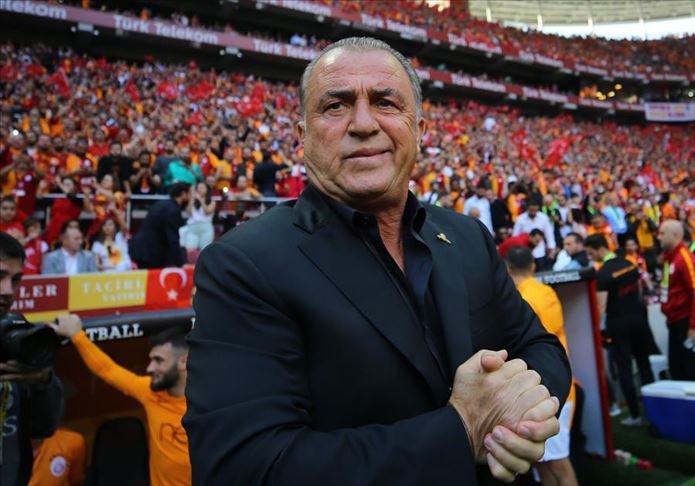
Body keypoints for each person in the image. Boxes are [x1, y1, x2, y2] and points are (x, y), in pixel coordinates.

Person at [184, 37, 571, 485]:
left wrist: (517, 415)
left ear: (419, 130)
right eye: (336, 106)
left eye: (386, 103)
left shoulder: (467, 236)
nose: (364, 124)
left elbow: (541, 348)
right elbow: (243, 468)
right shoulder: (243, 264)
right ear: (302, 137)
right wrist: (460, 432)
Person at [50, 318, 191, 486]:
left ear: (183, 361)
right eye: (151, 360)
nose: (150, 368)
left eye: (158, 360)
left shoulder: (211, 402)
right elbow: (107, 370)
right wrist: (76, 335)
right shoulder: (150, 392)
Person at [506, 246, 579, 486]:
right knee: (545, 462)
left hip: (545, 393)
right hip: (557, 385)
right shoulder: (546, 291)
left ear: (508, 269)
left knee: (558, 463)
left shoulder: (519, 300)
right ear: (533, 266)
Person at [0, 232, 64, 485]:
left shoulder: (16, 332)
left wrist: (43, 382)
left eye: (15, 280)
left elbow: (45, 426)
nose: (8, 291)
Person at [585, 233, 654, 426]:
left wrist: (594, 329)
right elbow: (639, 292)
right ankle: (653, 411)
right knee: (644, 365)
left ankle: (635, 415)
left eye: (591, 253)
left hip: (618, 325)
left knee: (625, 370)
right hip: (638, 320)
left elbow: (601, 307)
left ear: (600, 249)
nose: (591, 257)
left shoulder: (603, 273)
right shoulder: (629, 263)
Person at [656, 220, 695, 381]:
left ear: (675, 235)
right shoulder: (669, 258)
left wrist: (694, 327)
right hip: (675, 321)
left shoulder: (685, 258)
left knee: (693, 370)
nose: (658, 237)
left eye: (662, 233)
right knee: (678, 369)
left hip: (686, 322)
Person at [130, 182, 191, 269]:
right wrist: (181, 263)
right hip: (150, 253)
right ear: (183, 194)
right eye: (190, 194)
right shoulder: (172, 210)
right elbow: (173, 238)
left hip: (144, 250)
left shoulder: (162, 204)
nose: (191, 197)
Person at [513, 200, 557, 272]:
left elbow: (549, 235)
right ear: (527, 208)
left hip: (540, 253)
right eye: (531, 210)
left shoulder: (543, 218)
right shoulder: (520, 219)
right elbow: (515, 237)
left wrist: (552, 249)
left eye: (535, 210)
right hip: (525, 253)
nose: (533, 212)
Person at [180, 182, 216, 253]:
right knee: (190, 250)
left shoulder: (212, 201)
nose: (200, 189)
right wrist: (192, 199)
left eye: (202, 188)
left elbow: (207, 211)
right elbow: (188, 212)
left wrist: (201, 200)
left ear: (207, 190)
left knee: (205, 250)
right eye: (198, 188)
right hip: (192, 227)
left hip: (206, 227)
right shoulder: (192, 200)